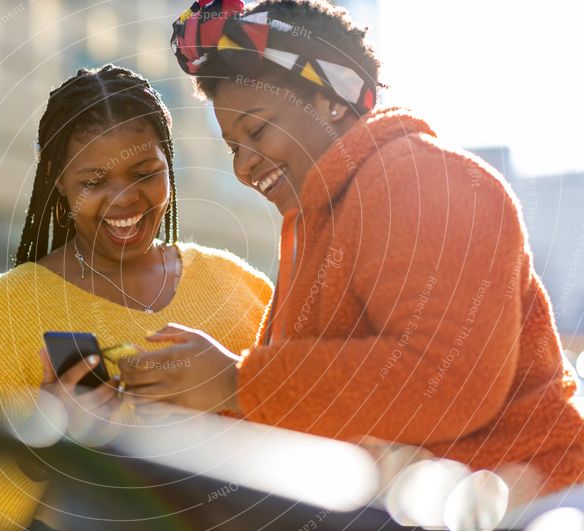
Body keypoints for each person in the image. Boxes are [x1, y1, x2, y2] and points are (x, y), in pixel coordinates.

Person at [119, 0, 584, 504]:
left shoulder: (425, 181)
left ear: (330, 101)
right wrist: (161, 403)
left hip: (531, 511)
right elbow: (317, 406)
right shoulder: (317, 219)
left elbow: (447, 379)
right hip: (423, 513)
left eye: (256, 130)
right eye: (233, 146)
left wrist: (233, 381)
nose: (244, 167)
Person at [0, 64, 272, 531]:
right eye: (94, 182)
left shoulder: (238, 287)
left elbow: (317, 423)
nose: (125, 200)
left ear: (168, 165)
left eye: (145, 173)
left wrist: (233, 385)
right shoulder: (5, 315)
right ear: (58, 180)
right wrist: (48, 432)